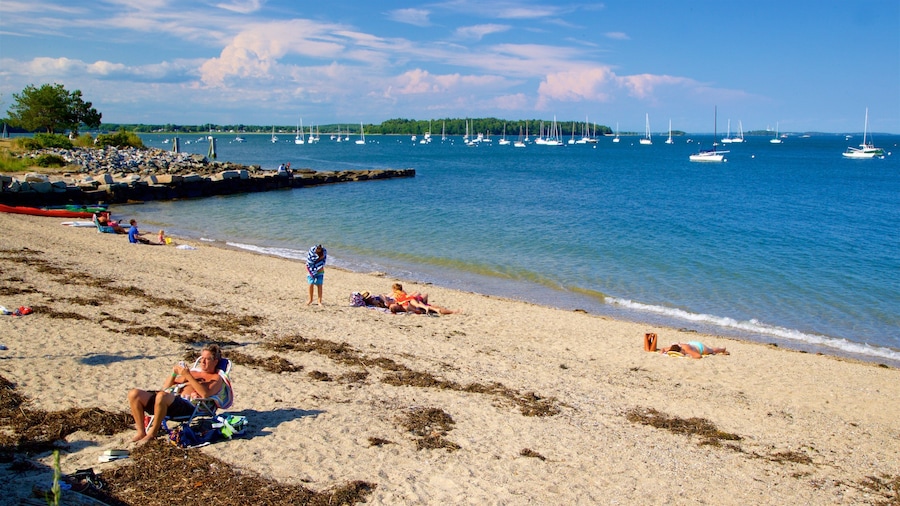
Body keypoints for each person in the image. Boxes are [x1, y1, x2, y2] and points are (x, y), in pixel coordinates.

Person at [127, 344, 224, 444]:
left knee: (161, 396)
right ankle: (141, 432)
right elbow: (166, 388)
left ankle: (152, 433)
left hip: (187, 406)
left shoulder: (216, 378)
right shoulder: (194, 372)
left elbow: (205, 394)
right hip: (169, 400)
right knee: (134, 394)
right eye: (202, 358)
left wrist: (188, 375)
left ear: (215, 361)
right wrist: (174, 373)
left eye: (207, 359)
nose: (202, 361)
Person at [390, 283, 461, 315]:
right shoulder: (403, 305)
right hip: (415, 303)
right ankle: (452, 312)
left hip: (413, 302)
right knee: (434, 308)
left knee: (433, 306)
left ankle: (451, 311)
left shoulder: (399, 302)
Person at [659, 341, 729, 359]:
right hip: (691, 344)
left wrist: (688, 356)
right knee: (712, 350)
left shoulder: (686, 350)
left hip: (700, 347)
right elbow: (663, 349)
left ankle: (722, 349)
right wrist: (662, 353)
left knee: (712, 350)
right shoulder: (674, 347)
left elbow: (698, 356)